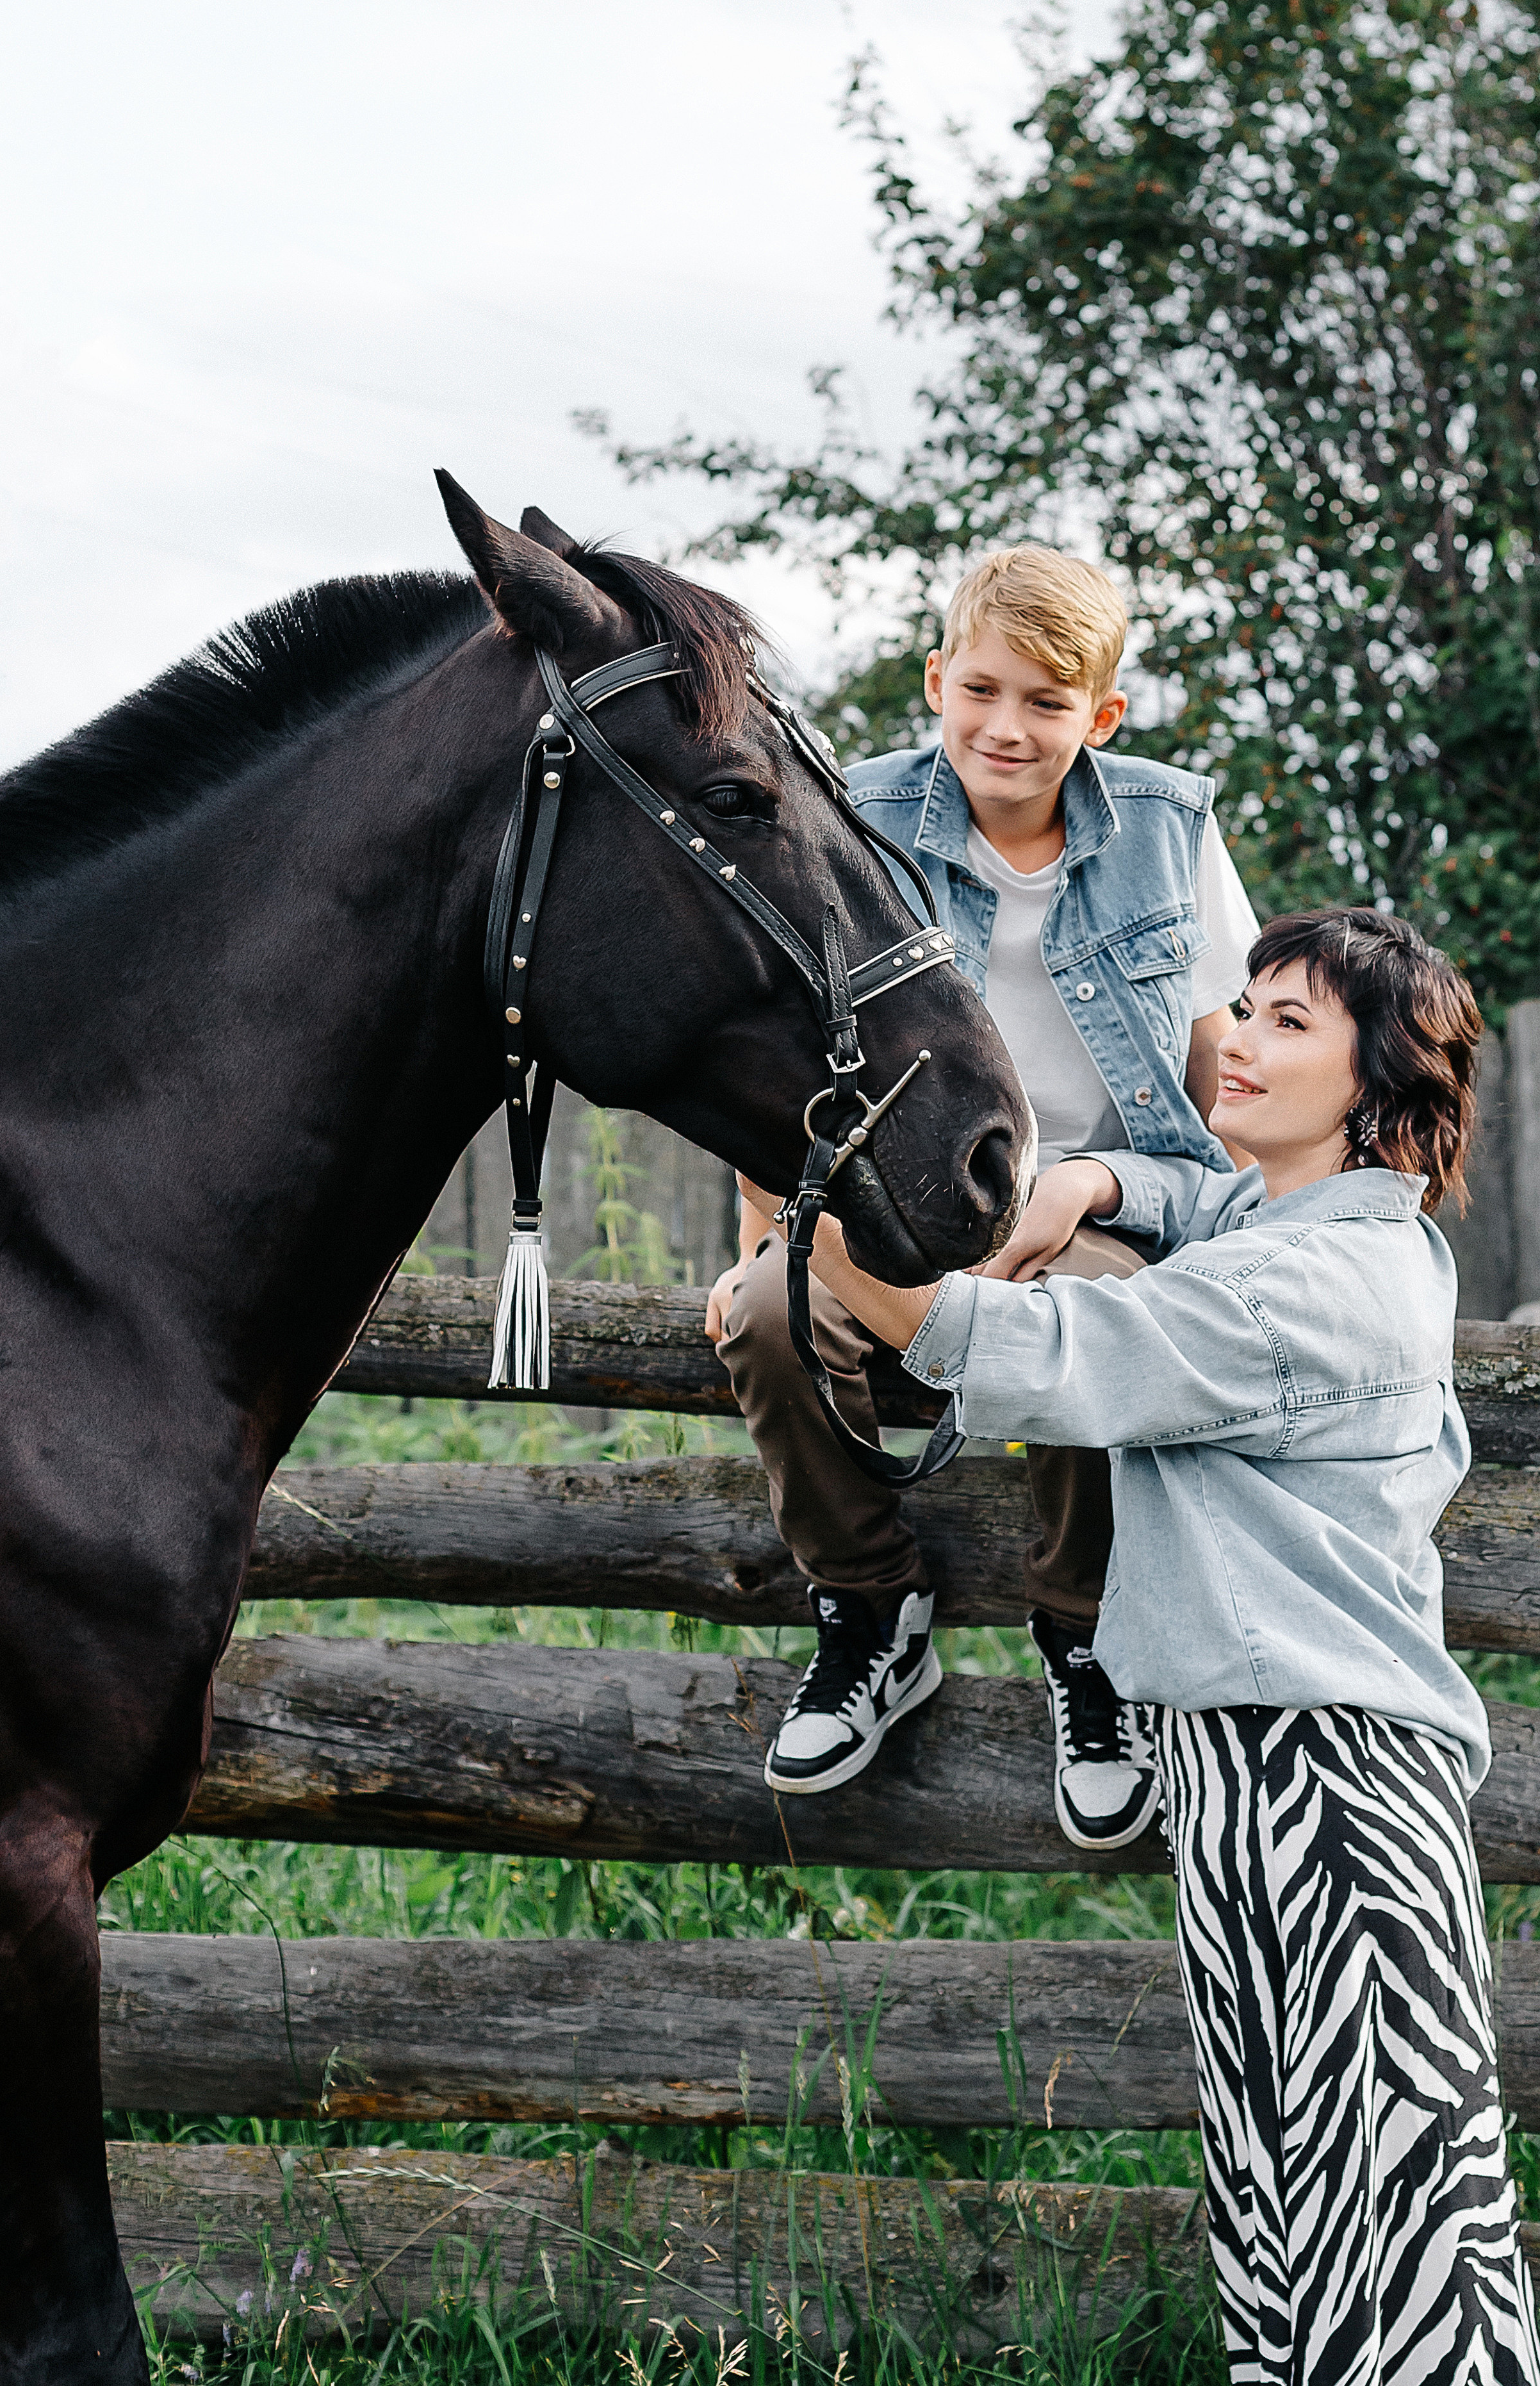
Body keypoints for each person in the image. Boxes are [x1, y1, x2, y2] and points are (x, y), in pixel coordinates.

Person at [746, 907, 1537, 2384]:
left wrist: (822, 1246)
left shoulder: (1325, 1282)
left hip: (1338, 1784)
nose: (1235, 1038)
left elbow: (1051, 1358)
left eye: (1289, 1021)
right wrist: (1102, 1174)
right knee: (1277, 2200)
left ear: (1383, 1091)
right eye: (1243, 1006)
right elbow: (1180, 1194)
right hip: (1242, 1766)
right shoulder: (1276, 1219)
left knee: (1401, 2220)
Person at [707, 545, 1260, 1843]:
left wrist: (1089, 1180)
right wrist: (762, 1239)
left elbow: (1217, 1105)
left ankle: (1085, 1641)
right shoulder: (853, 814)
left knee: (1091, 1329)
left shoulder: (1170, 835)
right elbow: (774, 1052)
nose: (1008, 728)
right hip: (887, 1205)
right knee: (772, 1319)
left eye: (1048, 703)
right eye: (985, 690)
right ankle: (870, 1607)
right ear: (938, 678)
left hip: (1101, 1213)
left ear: (1101, 715)